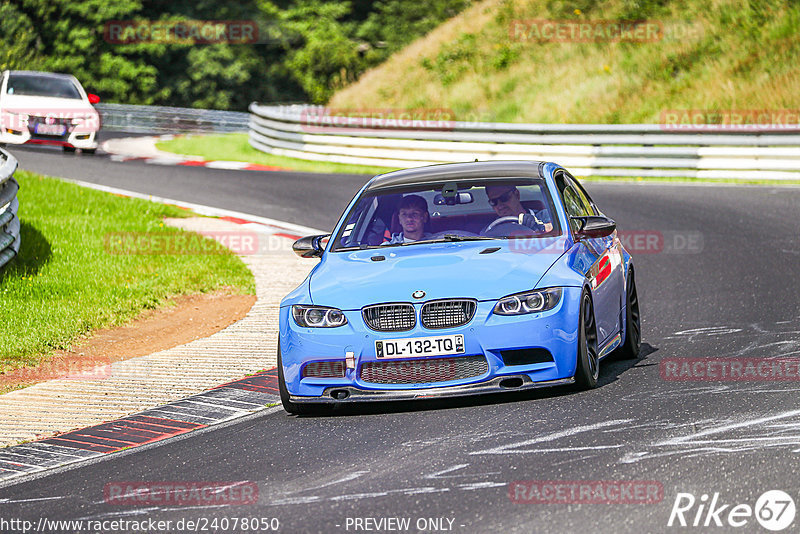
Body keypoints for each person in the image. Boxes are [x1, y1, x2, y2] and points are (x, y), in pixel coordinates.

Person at [485, 185, 553, 233]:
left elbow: (557, 229)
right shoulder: (490, 229)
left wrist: (540, 226)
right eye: (494, 202)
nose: (500, 206)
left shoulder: (544, 216)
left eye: (504, 198)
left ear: (517, 194)